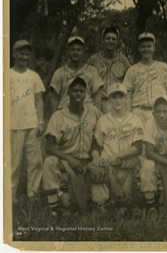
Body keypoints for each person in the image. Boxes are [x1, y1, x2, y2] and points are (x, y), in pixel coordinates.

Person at [43, 77, 102, 216]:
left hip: (88, 161)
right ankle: (54, 206)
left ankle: (98, 201)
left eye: (82, 91)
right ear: (68, 93)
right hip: (67, 161)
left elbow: (99, 136)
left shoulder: (94, 112)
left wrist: (96, 155)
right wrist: (68, 159)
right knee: (49, 162)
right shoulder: (58, 116)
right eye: (75, 91)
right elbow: (49, 147)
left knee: (85, 206)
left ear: (86, 94)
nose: (78, 94)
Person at [90, 83, 143, 213]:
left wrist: (118, 156)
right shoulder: (103, 120)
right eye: (114, 97)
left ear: (126, 99)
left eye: (121, 96)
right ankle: (101, 204)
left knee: (125, 199)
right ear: (109, 100)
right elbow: (96, 144)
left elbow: (137, 147)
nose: (118, 100)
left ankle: (127, 202)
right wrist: (96, 157)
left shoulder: (135, 119)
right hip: (108, 164)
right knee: (96, 168)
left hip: (127, 163)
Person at [10, 40, 45, 205]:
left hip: (32, 124)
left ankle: (33, 193)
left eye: (26, 54)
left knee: (35, 161)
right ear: (14, 54)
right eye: (21, 53)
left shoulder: (34, 76)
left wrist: (41, 122)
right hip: (13, 125)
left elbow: (39, 101)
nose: (24, 57)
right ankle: (11, 195)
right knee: (13, 163)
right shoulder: (6, 75)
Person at [123, 32, 167, 125]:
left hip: (159, 111)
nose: (146, 49)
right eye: (143, 46)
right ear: (139, 48)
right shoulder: (132, 70)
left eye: (149, 46)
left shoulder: (163, 67)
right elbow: (128, 96)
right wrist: (128, 115)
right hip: (138, 111)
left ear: (153, 48)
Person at [49, 36, 103, 113]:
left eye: (78, 50)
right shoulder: (59, 72)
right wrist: (54, 118)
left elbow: (97, 96)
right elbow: (54, 98)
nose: (75, 52)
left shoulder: (92, 71)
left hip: (86, 112)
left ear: (83, 52)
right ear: (68, 52)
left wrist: (98, 116)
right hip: (65, 112)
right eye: (72, 50)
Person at [88, 25, 130, 113]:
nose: (111, 41)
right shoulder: (93, 59)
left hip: (116, 102)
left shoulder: (123, 61)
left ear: (117, 42)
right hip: (97, 101)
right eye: (108, 38)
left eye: (113, 39)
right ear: (102, 40)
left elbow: (128, 84)